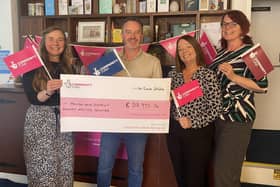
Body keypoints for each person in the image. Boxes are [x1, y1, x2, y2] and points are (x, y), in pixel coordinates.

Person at [97, 17, 162, 187]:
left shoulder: (153, 62)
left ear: (142, 36)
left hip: (138, 125)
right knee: (104, 166)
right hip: (111, 122)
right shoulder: (110, 60)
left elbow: (159, 97)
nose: (132, 36)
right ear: (122, 35)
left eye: (136, 32)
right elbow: (98, 88)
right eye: (128, 32)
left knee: (135, 169)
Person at [208, 10, 268, 187]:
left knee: (224, 174)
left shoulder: (253, 52)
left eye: (233, 24)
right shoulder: (218, 54)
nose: (228, 28)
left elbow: (263, 86)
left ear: (243, 28)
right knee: (225, 172)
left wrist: (234, 77)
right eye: (224, 24)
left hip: (238, 118)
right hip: (217, 119)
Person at [22, 26, 75, 187]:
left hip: (65, 123)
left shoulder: (69, 67)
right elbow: (33, 98)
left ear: (65, 43)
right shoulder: (33, 66)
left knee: (64, 167)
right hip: (40, 123)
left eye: (60, 39)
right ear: (44, 42)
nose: (55, 43)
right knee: (43, 169)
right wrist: (48, 91)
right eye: (51, 39)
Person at [167, 35, 222, 187]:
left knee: (195, 178)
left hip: (199, 133)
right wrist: (166, 100)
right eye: (180, 49)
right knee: (180, 176)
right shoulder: (173, 75)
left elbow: (216, 107)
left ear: (196, 49)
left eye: (188, 47)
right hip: (175, 131)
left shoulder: (208, 75)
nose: (184, 51)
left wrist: (193, 122)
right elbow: (170, 103)